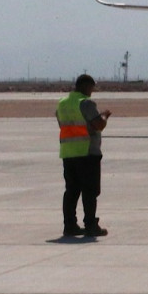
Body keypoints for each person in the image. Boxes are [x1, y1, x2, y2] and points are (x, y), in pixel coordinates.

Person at [57, 74, 111, 238]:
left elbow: (63, 124)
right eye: (92, 87)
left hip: (68, 153)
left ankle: (70, 225)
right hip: (87, 152)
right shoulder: (85, 103)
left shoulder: (63, 103)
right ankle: (90, 225)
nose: (92, 91)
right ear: (86, 86)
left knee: (71, 191)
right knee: (90, 191)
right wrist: (105, 116)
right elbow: (98, 125)